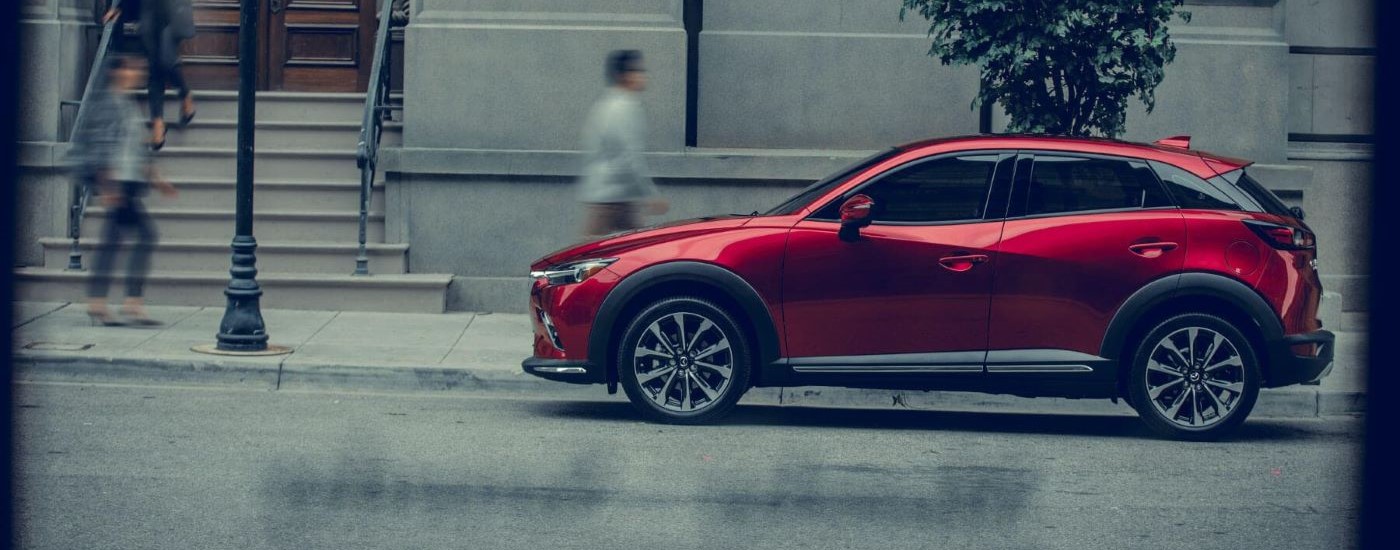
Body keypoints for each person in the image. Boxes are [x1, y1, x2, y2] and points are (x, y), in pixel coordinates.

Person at [72, 56, 179, 326]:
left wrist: (156, 179)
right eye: (132, 68)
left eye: (140, 68)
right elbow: (101, 144)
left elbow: (134, 148)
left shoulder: (126, 103)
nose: (138, 73)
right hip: (117, 184)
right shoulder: (108, 103)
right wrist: (107, 185)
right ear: (117, 72)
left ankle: (104, 302)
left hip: (127, 183)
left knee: (114, 241)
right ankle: (128, 303)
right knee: (144, 236)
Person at [577, 50, 669, 237]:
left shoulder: (608, 103)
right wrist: (650, 194)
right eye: (637, 71)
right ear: (623, 76)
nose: (643, 76)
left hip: (612, 194)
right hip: (613, 198)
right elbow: (630, 157)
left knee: (630, 246)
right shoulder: (623, 107)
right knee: (598, 250)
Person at [104, 0, 197, 150]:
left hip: (172, 11)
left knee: (166, 60)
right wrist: (120, 7)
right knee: (154, 65)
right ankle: (158, 124)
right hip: (149, 13)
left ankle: (185, 95)